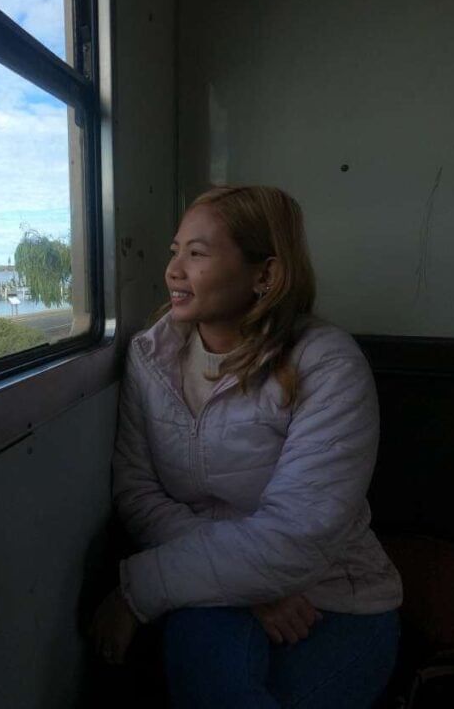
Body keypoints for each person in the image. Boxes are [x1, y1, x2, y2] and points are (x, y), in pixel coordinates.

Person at [89, 186, 403, 708]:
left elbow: (297, 536)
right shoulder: (152, 358)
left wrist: (136, 589)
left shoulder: (325, 364)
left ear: (266, 275)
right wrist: (256, 585)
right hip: (203, 591)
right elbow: (138, 494)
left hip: (336, 595)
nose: (173, 270)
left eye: (197, 253)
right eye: (174, 251)